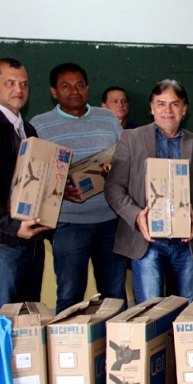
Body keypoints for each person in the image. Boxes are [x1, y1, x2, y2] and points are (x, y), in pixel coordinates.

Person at [31, 63, 127, 313]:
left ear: (87, 88)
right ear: (53, 91)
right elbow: (33, 178)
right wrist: (60, 191)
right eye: (65, 86)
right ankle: (70, 351)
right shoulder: (40, 125)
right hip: (68, 224)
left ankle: (115, 350)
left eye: (80, 85)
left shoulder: (107, 118)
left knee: (114, 295)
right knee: (70, 294)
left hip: (110, 221)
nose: (74, 91)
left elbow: (124, 159)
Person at [106, 79, 193, 303]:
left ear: (184, 108)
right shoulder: (131, 139)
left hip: (184, 243)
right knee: (151, 316)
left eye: (174, 104)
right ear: (151, 108)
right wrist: (136, 216)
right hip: (147, 242)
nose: (167, 110)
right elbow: (113, 187)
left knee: (183, 315)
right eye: (160, 104)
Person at [0, 59, 49, 314]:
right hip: (1, 243)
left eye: (24, 84)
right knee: (3, 320)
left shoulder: (26, 129)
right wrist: (12, 225)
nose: (19, 89)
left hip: (29, 240)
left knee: (28, 323)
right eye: (10, 83)